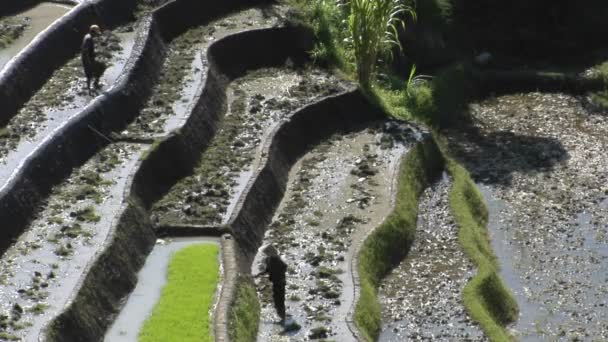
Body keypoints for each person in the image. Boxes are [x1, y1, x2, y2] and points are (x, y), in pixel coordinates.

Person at [256, 244, 288, 322]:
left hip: (280, 282)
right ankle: (280, 315)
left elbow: (284, 267)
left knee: (279, 299)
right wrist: (260, 274)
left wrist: (276, 273)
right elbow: (267, 269)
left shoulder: (278, 261)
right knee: (276, 298)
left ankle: (282, 316)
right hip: (275, 281)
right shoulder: (268, 259)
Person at [81, 25, 106, 93]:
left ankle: (93, 84)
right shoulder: (88, 39)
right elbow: (85, 51)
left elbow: (88, 50)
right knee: (102, 67)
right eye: (96, 33)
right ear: (93, 32)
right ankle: (90, 88)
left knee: (99, 68)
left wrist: (95, 54)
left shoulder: (88, 36)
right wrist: (89, 62)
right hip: (87, 60)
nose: (96, 35)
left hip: (88, 59)